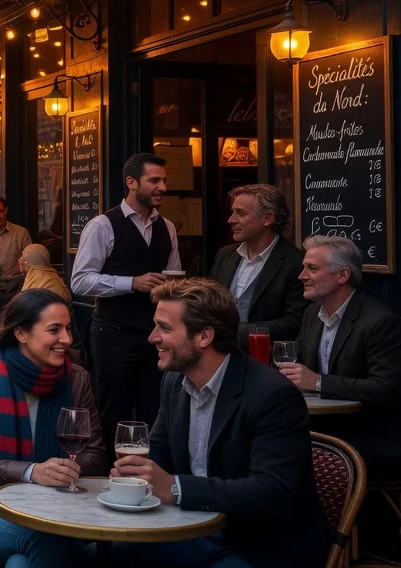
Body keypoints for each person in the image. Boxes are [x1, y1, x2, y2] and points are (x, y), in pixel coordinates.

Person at [111, 278, 327, 568]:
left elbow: (272, 493)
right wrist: (136, 477)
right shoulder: (174, 382)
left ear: (204, 336)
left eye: (165, 328)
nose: (152, 337)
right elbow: (159, 457)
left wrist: (175, 488)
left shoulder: (272, 395)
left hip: (260, 546)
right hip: (191, 532)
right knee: (102, 554)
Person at [0, 289, 106, 568]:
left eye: (68, 329)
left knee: (20, 563)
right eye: (54, 330)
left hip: (60, 506)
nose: (67, 339)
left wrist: (64, 470)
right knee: (42, 531)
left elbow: (95, 455)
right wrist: (31, 472)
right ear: (21, 333)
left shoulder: (76, 380)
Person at [71, 152, 181, 439]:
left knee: (155, 410)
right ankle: (110, 466)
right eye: (154, 180)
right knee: (113, 412)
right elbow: (80, 281)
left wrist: (172, 288)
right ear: (131, 182)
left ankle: (149, 466)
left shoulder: (167, 228)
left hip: (156, 335)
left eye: (164, 180)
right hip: (113, 333)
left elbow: (173, 275)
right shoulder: (102, 225)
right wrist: (131, 283)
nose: (162, 187)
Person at [283, 236, 401, 480]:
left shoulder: (379, 321)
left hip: (366, 436)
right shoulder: (312, 314)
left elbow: (385, 389)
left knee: (290, 462)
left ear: (343, 275)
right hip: (321, 430)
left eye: (312, 268)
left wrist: (317, 382)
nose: (301, 276)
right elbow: (297, 364)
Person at [208, 184, 308, 344]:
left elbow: (293, 324)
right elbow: (209, 304)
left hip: (265, 356)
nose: (231, 220)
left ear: (268, 218)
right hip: (219, 352)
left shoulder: (296, 262)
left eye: (240, 213)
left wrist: (233, 334)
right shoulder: (225, 255)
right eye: (233, 212)